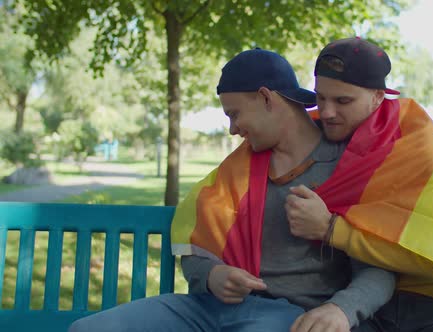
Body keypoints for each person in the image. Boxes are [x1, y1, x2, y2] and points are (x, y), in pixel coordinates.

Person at [69, 48, 394, 332]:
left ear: (267, 98)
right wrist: (212, 275)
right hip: (207, 310)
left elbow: (380, 263)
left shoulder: (348, 168)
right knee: (87, 328)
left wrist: (342, 309)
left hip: (287, 316)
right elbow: (195, 247)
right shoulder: (234, 173)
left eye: (234, 114)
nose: (231, 129)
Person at [284, 37, 433, 332]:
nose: (328, 111)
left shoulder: (421, 145)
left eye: (343, 100)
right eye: (321, 98)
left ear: (377, 96)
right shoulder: (312, 135)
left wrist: (330, 229)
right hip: (361, 304)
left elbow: (431, 257)